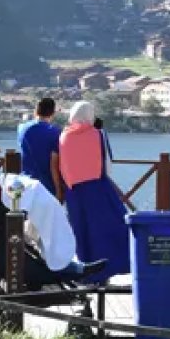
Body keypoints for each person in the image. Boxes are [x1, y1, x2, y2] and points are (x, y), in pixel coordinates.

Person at [59, 101, 130, 282]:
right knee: (110, 227)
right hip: (97, 187)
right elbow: (107, 164)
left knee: (81, 231)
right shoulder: (98, 134)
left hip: (74, 191)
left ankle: (86, 272)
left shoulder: (64, 136)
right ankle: (111, 267)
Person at [16, 98, 64, 199]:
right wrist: (59, 189)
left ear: (36, 110)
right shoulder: (55, 132)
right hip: (47, 185)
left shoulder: (21, 128)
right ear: (52, 113)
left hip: (26, 182)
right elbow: (53, 164)